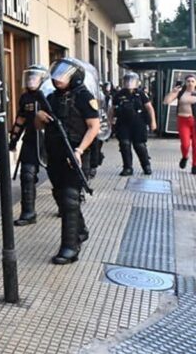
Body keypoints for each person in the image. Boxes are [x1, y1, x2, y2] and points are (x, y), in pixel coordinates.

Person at [36, 58, 100, 265]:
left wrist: (80, 150)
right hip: (55, 154)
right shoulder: (51, 98)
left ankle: (70, 247)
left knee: (71, 198)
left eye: (63, 76)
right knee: (59, 194)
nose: (58, 80)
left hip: (76, 154)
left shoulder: (84, 97)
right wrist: (39, 116)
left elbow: (94, 127)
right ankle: (80, 230)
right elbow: (38, 126)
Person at [9, 65, 50, 226]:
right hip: (31, 139)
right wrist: (13, 140)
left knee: (59, 177)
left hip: (50, 141)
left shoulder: (51, 95)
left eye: (35, 77)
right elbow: (21, 119)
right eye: (30, 77)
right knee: (27, 175)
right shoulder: (25, 98)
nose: (31, 80)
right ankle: (28, 213)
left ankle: (67, 205)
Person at [109, 72, 156, 176]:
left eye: (131, 80)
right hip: (123, 123)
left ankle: (146, 165)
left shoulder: (141, 94)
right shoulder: (119, 94)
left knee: (139, 145)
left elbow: (149, 108)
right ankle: (127, 167)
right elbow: (112, 110)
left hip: (138, 122)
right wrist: (109, 122)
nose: (129, 83)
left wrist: (153, 122)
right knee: (124, 145)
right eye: (127, 80)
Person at [163, 74, 196, 173]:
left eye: (192, 81)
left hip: (194, 120)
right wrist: (172, 92)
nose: (190, 83)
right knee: (185, 144)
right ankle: (185, 157)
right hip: (183, 120)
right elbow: (166, 102)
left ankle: (194, 165)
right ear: (185, 82)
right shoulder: (181, 92)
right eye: (188, 81)